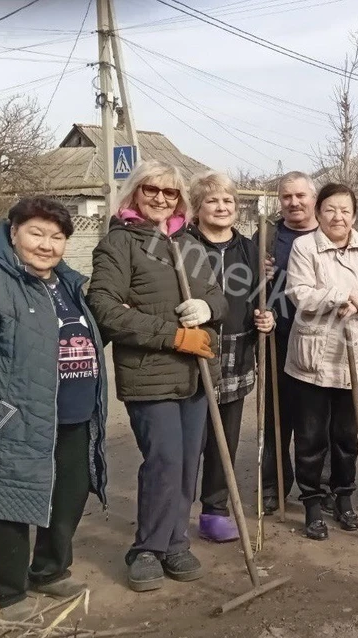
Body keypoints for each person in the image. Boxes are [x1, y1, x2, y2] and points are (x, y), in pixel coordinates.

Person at [0, 198, 107, 618]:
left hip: (74, 415)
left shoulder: (68, 283)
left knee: (69, 495)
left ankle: (50, 571)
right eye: (36, 233)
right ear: (13, 232)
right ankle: (9, 592)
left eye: (56, 237)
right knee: (7, 502)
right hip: (14, 417)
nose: (46, 245)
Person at [87, 160, 227, 592]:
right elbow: (105, 310)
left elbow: (218, 298)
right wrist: (173, 336)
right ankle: (146, 548)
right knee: (164, 459)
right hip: (149, 373)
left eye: (170, 193)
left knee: (187, 463)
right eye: (152, 190)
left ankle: (175, 543)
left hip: (195, 375)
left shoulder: (191, 246)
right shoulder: (118, 244)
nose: (162, 199)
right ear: (135, 191)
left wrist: (208, 311)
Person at [285, 183, 358, 541]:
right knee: (312, 435)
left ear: (355, 215)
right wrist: (340, 296)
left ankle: (344, 497)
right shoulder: (305, 247)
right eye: (330, 209)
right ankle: (313, 503)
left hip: (356, 357)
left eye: (345, 210)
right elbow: (299, 293)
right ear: (318, 213)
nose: (338, 217)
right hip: (313, 359)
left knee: (347, 434)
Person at [187, 171, 275, 543]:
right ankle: (174, 511)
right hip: (193, 350)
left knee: (226, 436)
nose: (221, 207)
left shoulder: (248, 250)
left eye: (228, 201)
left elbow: (258, 296)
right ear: (197, 207)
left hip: (237, 350)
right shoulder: (182, 246)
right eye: (212, 200)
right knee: (190, 437)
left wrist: (265, 319)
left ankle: (214, 510)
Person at [256, 171, 327, 514]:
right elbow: (245, 282)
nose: (294, 202)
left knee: (317, 417)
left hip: (321, 341)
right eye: (287, 197)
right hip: (278, 338)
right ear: (279, 201)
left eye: (301, 196)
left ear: (314, 199)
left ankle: (318, 484)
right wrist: (258, 274)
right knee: (276, 415)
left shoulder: (329, 231)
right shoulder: (268, 235)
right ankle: (274, 484)